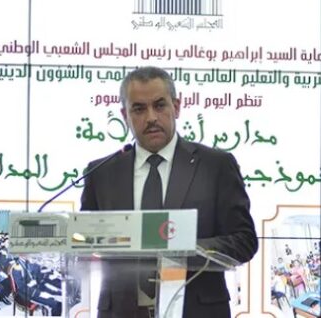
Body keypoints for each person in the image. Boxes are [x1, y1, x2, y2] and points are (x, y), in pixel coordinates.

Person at [81, 66, 258, 318]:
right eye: (139, 109)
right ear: (125, 115)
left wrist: (186, 248)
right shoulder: (101, 172)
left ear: (176, 107)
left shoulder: (216, 165)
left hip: (197, 311)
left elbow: (244, 241)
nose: (151, 117)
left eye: (159, 105)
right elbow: (85, 242)